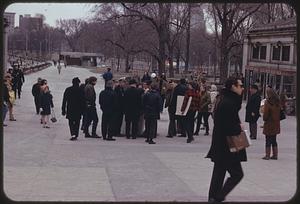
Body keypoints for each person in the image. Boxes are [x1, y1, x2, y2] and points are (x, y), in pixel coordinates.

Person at [206, 77, 246, 203]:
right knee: (237, 174)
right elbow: (227, 126)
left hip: (220, 144)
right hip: (227, 146)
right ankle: (218, 198)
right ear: (233, 87)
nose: (242, 88)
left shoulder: (223, 99)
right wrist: (238, 127)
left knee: (219, 173)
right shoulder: (229, 102)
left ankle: (213, 198)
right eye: (240, 85)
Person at [262, 87, 281, 160]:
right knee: (274, 139)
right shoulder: (277, 102)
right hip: (276, 123)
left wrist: (264, 119)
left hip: (269, 123)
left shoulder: (268, 102)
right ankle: (275, 155)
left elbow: (266, 114)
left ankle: (267, 155)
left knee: (268, 139)